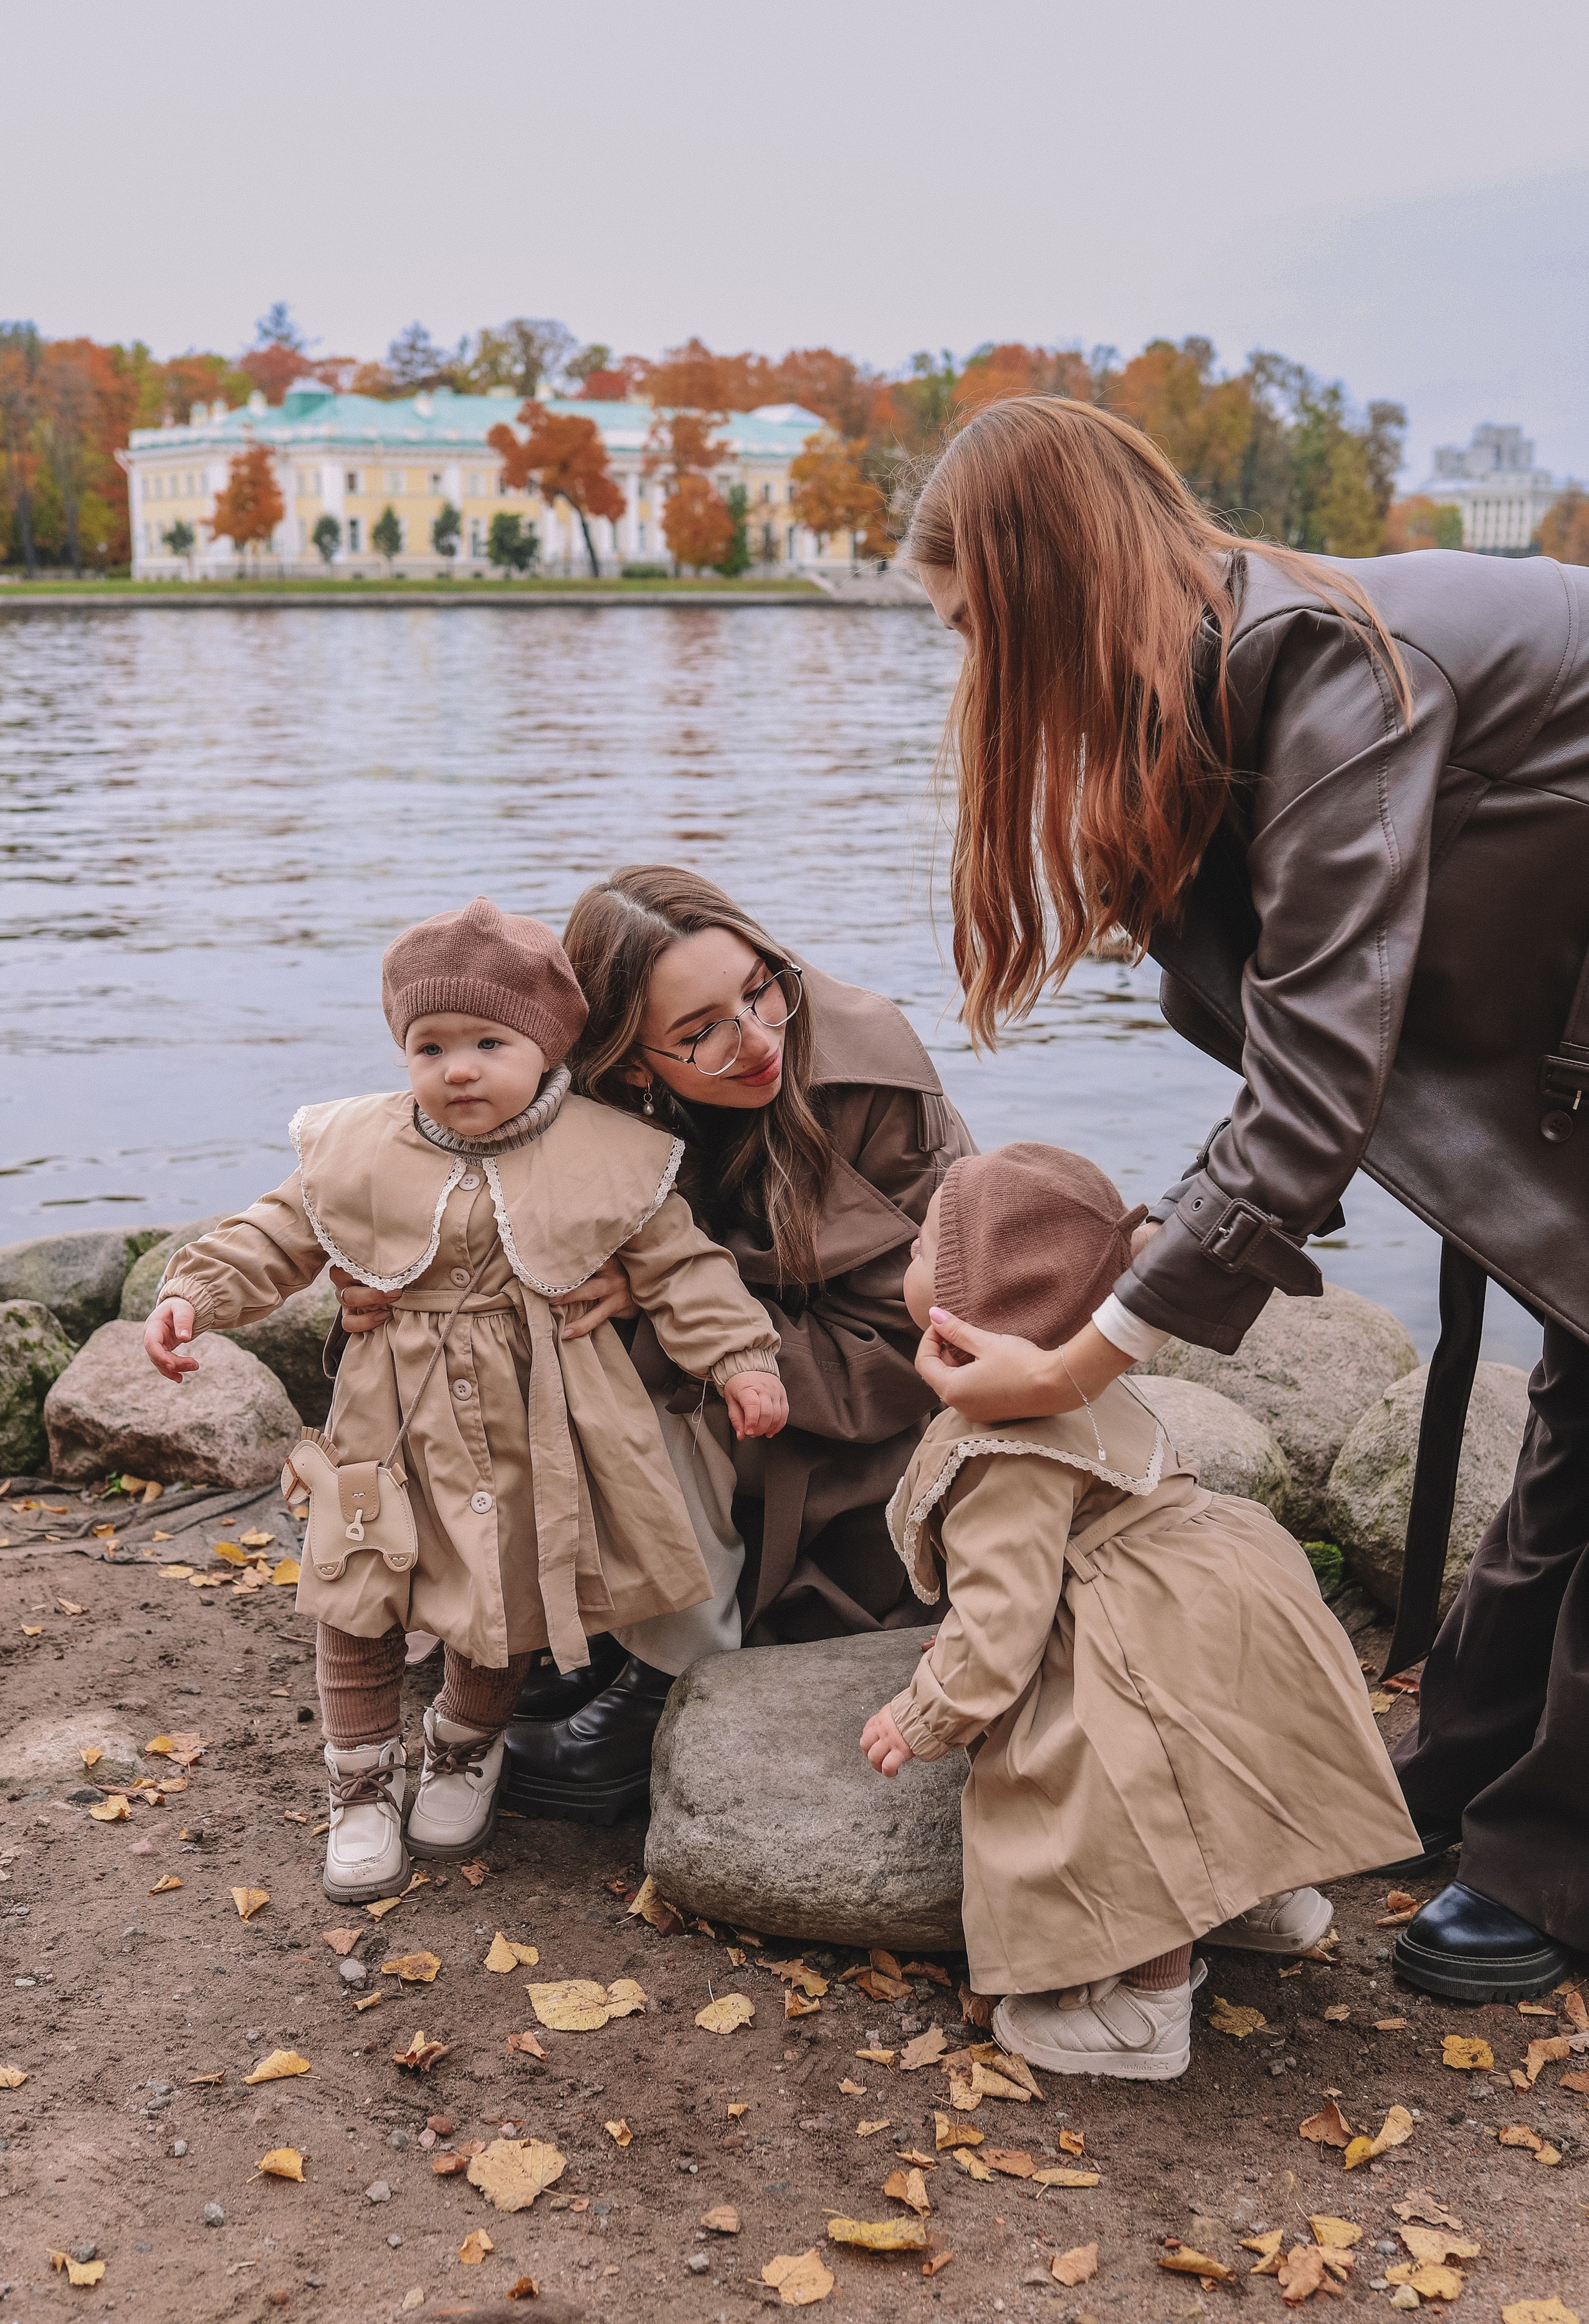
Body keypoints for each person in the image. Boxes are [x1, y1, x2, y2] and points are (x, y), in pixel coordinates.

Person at [903, 393, 1589, 2002]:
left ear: (1044, 601)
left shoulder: (1326, 671)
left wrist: (1079, 1361)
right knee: (1580, 1407)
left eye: (967, 635)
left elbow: (1316, 1087)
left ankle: (1555, 1854)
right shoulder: (1227, 676)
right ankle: (1471, 1775)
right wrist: (1150, 1250)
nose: (970, 681)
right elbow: (1299, 1068)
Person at [141, 896, 785, 1901]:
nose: (459, 1068)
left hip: (538, 1426)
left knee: (506, 1596)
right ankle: (358, 1782)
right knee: (358, 1595)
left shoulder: (607, 1152)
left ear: (548, 1047)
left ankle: (463, 1739)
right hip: (388, 1424)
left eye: (490, 1040)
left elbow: (684, 1268)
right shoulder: (356, 1146)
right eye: (429, 1045)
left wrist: (742, 1360)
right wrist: (193, 1295)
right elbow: (274, 1234)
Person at [332, 866, 975, 1822]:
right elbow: (458, 1214)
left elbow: (906, 1341)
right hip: (747, 1403)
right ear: (632, 1063)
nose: (757, 1038)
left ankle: (670, 1677)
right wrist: (392, 1279)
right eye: (699, 1033)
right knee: (527, 1336)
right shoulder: (574, 1108)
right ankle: (577, 1630)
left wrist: (667, 1300)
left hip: (859, 1425)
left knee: (628, 1355)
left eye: (761, 988)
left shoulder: (870, 1084)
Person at [861, 1143, 1420, 2078]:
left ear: (977, 1305)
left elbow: (1002, 1627)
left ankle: (1141, 2006)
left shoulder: (1000, 1446)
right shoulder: (1084, 1373)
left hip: (1145, 1631)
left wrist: (927, 1711)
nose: (905, 1265)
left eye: (924, 1252)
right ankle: (1267, 1899)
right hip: (1227, 1581)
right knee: (1230, 1750)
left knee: (1115, 1793)